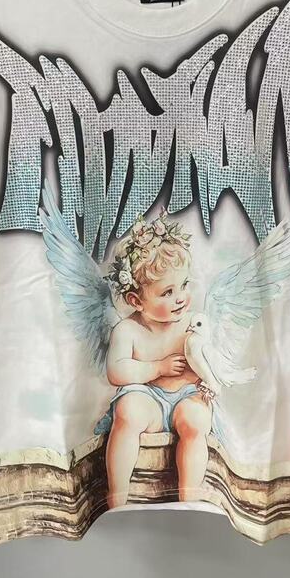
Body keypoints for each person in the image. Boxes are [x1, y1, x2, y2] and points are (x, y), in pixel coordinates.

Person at [94, 209, 222, 508]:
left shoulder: (192, 324)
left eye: (184, 285)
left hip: (186, 396)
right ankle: (117, 497)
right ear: (136, 300)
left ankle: (189, 498)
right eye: (167, 292)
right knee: (128, 411)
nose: (180, 297)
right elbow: (116, 371)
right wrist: (158, 368)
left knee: (195, 420)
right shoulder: (128, 330)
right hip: (148, 398)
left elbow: (209, 364)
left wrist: (208, 383)